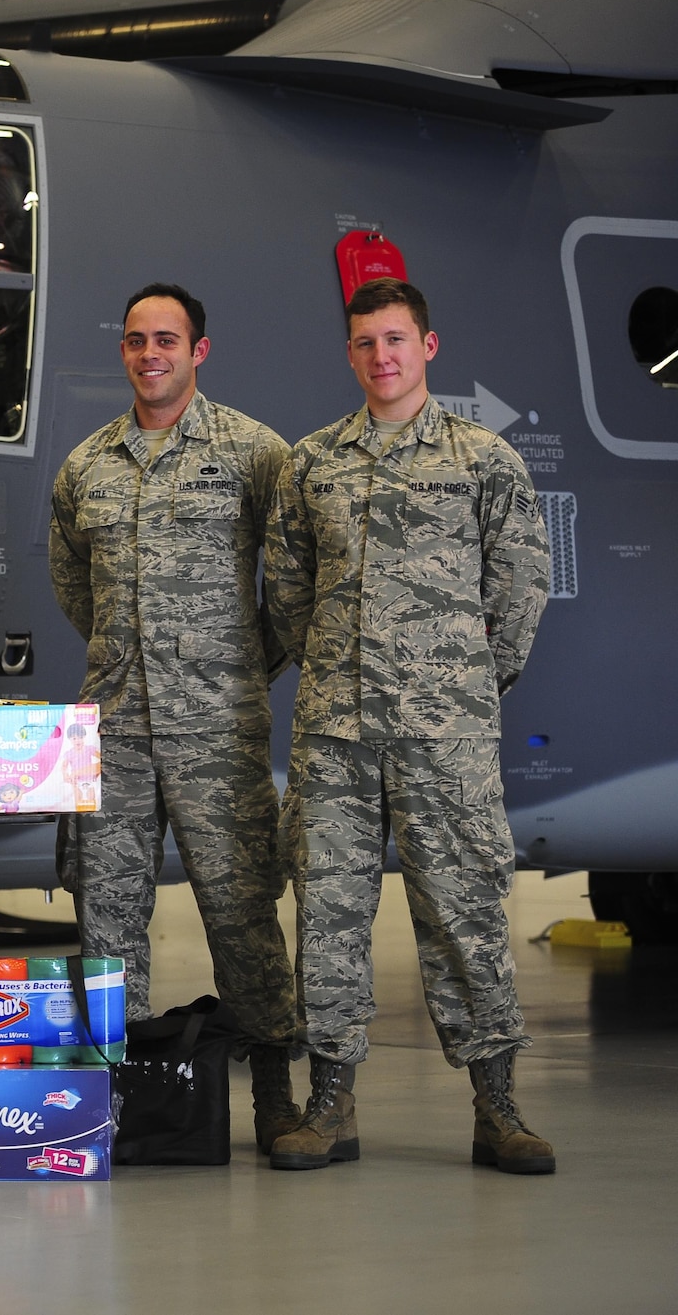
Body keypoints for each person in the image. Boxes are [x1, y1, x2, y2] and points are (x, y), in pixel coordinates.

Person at [265, 278, 553, 1173]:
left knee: (467, 912)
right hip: (334, 738)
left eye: (396, 339)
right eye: (364, 342)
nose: (380, 355)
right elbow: (284, 594)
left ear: (429, 347)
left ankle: (497, 1106)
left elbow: (520, 588)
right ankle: (330, 1104)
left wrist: (459, 685)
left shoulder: (483, 460)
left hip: (447, 737)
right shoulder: (313, 462)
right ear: (350, 354)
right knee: (330, 919)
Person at [49, 282, 301, 1153]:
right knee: (106, 922)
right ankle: (107, 1101)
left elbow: (296, 572)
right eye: (134, 339)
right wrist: (134, 656)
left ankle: (276, 1091)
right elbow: (77, 586)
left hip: (218, 729)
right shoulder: (86, 465)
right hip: (113, 727)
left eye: (167, 338)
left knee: (241, 915)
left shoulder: (253, 452)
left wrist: (238, 663)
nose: (148, 352)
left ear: (200, 350)